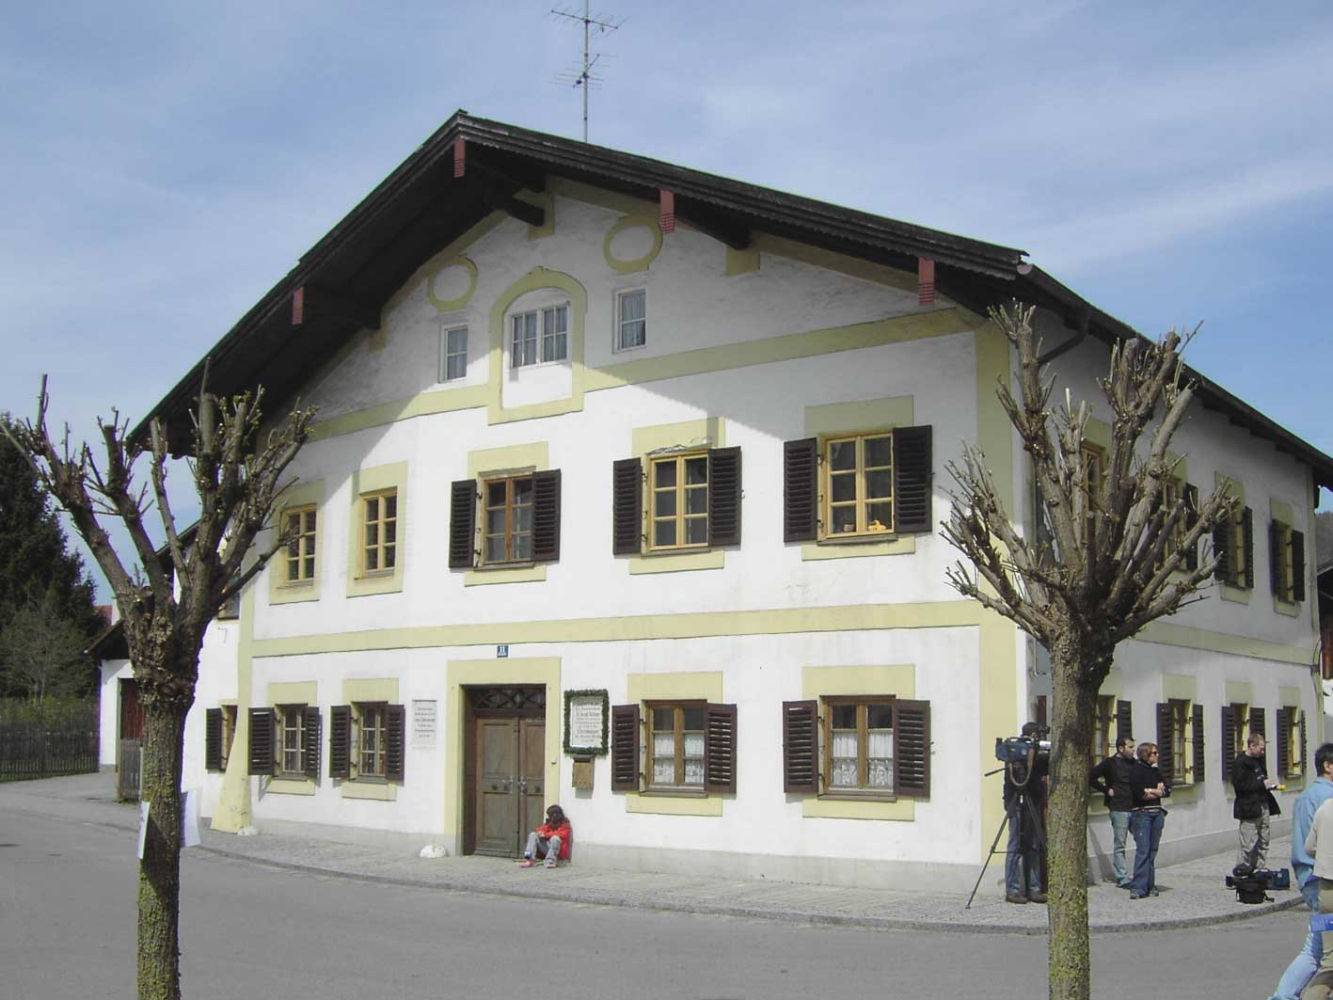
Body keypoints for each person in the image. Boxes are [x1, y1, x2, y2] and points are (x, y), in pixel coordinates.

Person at [1266, 743, 1333, 1000]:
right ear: (1328, 766)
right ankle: (1283, 997)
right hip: (1323, 879)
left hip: (1310, 879)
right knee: (1320, 951)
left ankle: (1283, 997)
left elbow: (1307, 844)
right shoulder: (1327, 799)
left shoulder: (1307, 794)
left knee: (1316, 947)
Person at [1003, 721, 1048, 904]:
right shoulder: (1015, 751)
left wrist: (1038, 754)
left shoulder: (1036, 753)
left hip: (1033, 801)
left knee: (1034, 845)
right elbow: (1010, 779)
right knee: (1014, 846)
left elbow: (1045, 767)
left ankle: (1034, 888)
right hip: (1016, 801)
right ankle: (1012, 889)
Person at [1089, 735, 1137, 888]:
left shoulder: (1134, 764)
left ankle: (1140, 875)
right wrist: (1106, 790)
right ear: (1120, 748)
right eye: (1130, 747)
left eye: (1133, 747)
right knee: (1120, 844)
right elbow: (1091, 776)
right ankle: (1122, 877)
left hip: (1135, 807)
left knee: (1142, 842)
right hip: (1118, 808)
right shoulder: (1110, 763)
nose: (1133, 750)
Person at [1233, 732, 1281, 874]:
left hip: (1263, 805)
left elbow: (1261, 780)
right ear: (1251, 746)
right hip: (1249, 807)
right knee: (1248, 842)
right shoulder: (1240, 762)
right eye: (1261, 748)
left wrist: (1269, 785)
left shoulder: (1259, 760)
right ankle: (1243, 871)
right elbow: (1240, 786)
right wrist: (1262, 784)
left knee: (1264, 840)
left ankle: (1259, 869)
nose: (1263, 751)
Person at [1127, 741, 1169, 899]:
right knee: (1143, 850)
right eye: (1154, 753)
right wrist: (1155, 790)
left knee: (1152, 851)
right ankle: (1138, 887)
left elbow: (1167, 790)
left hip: (1157, 813)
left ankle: (1150, 885)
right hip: (1141, 814)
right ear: (1145, 754)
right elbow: (1140, 794)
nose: (1157, 756)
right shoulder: (1136, 771)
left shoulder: (1156, 772)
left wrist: (1156, 791)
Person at [518, 804, 572, 869]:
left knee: (555, 838)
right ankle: (528, 859)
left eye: (551, 815)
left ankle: (550, 861)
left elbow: (561, 834)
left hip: (558, 851)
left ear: (557, 815)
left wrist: (546, 835)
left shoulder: (565, 825)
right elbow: (540, 829)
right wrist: (540, 833)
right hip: (547, 848)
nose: (550, 817)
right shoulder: (549, 823)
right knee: (532, 835)